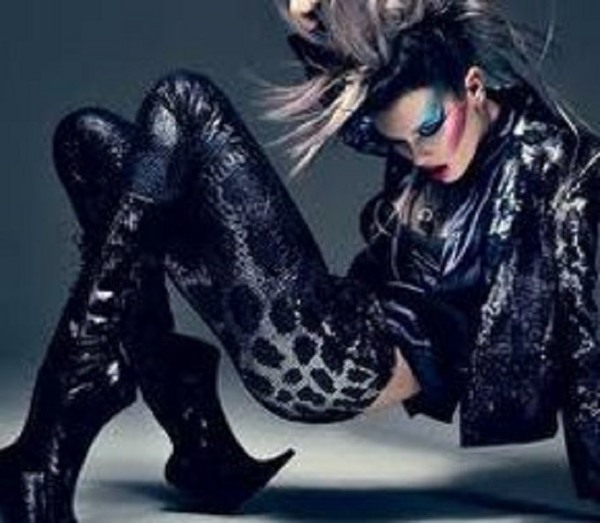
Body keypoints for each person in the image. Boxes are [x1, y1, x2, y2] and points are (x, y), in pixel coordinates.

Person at [0, 0, 598, 521]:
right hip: (343, 314)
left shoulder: (557, 165)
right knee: (88, 140)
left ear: (474, 86)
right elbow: (362, 96)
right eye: (399, 143)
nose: (419, 156)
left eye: (429, 130)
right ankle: (193, 430)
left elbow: (584, 334)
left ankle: (78, 397)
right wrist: (312, 18)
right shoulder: (423, 118)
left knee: (184, 99)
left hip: (343, 358)